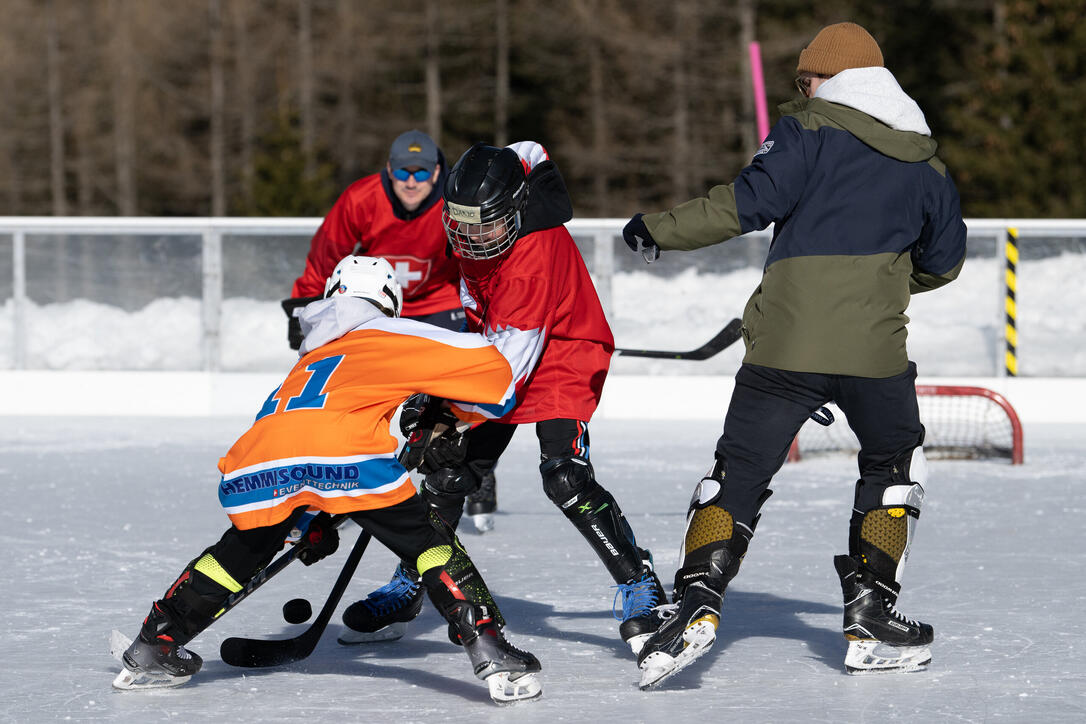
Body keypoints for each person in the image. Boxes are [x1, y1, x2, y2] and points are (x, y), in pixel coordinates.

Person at [622, 22, 967, 687]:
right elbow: (945, 261)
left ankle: (696, 601)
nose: (800, 89)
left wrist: (655, 229)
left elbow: (745, 204)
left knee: (739, 472)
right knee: (892, 466)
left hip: (783, 347)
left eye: (805, 79)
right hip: (875, 353)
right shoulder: (926, 161)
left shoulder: (806, 130)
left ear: (830, 79)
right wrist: (885, 282)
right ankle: (872, 617)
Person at [113, 255, 541, 704]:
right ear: (389, 301)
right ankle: (491, 649)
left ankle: (152, 645)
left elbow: (297, 447)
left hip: (256, 462)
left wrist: (306, 520)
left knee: (235, 556)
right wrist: (447, 414)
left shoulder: (313, 354)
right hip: (347, 455)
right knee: (428, 545)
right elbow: (495, 372)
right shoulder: (390, 331)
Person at [341, 142, 668, 656]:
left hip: (564, 348)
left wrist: (446, 417)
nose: (471, 240)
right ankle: (413, 582)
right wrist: (440, 412)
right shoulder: (482, 222)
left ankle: (640, 583)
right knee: (448, 475)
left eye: (486, 228)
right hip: (502, 341)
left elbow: (503, 381)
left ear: (517, 211)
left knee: (564, 475)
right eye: (462, 226)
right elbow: (529, 152)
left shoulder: (529, 262)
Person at [283, 129, 501, 534]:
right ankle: (345, 476)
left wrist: (488, 313)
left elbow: (477, 259)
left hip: (439, 302)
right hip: (374, 305)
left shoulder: (454, 205)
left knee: (458, 391)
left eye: (422, 172)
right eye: (404, 172)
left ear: (438, 172)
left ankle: (477, 467)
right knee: (355, 389)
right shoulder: (361, 199)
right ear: (389, 170)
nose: (412, 181)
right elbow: (325, 257)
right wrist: (304, 311)